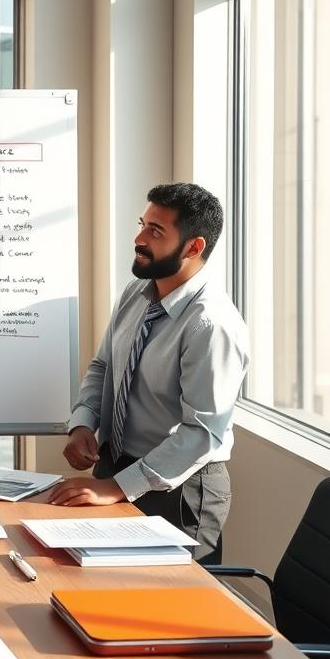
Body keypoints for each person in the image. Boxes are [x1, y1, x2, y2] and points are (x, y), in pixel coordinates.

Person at [47, 182, 249, 563]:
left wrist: (117, 488)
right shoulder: (135, 294)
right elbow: (103, 366)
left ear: (193, 247)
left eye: (155, 231)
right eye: (143, 224)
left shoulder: (212, 324)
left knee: (174, 608)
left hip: (181, 487)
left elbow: (201, 433)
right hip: (117, 468)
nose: (139, 238)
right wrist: (83, 423)